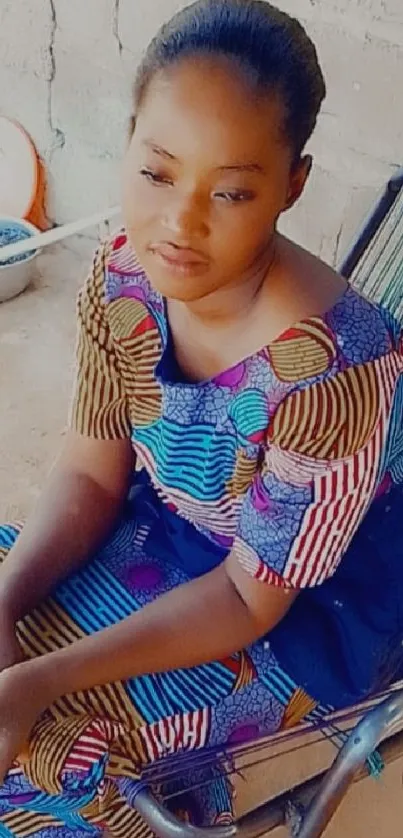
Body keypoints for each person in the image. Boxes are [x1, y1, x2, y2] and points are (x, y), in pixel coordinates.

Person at [1, 0, 403, 834]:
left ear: (292, 183)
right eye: (157, 173)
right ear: (128, 147)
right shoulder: (121, 279)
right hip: (167, 527)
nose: (178, 224)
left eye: (230, 191)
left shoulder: (335, 374)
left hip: (287, 613)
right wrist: (3, 610)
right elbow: (87, 472)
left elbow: (250, 599)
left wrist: (37, 681)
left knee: (57, 764)